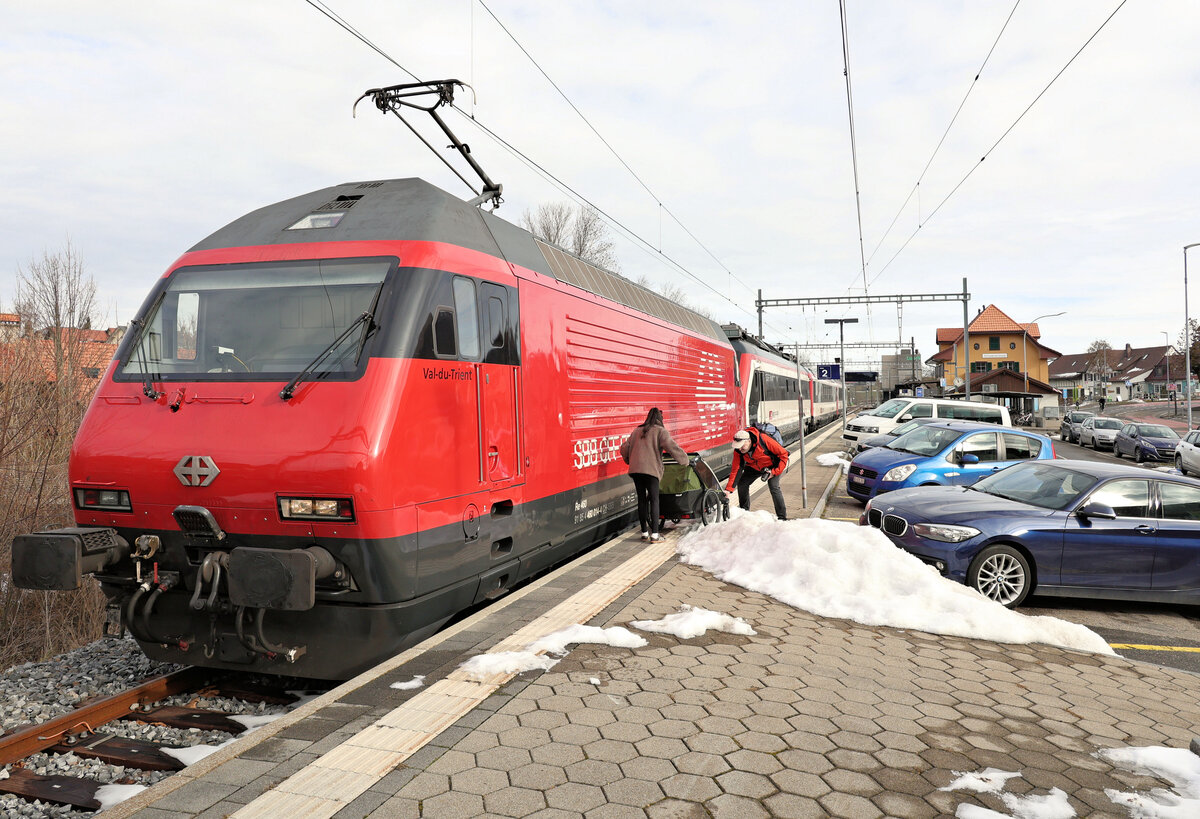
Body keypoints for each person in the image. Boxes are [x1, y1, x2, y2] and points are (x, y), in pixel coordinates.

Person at [620, 407, 689, 542]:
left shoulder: (636, 430)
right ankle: (655, 534)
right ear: (660, 418)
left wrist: (629, 460)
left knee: (641, 500)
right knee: (654, 499)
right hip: (651, 472)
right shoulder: (660, 431)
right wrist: (684, 460)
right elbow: (672, 446)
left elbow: (624, 447)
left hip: (636, 471)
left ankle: (645, 532)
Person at [725, 427, 789, 521]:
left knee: (774, 487)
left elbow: (784, 455)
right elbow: (736, 469)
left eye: (742, 445)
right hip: (754, 467)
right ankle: (744, 513)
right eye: (738, 446)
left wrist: (774, 472)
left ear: (749, 441)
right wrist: (729, 489)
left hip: (773, 466)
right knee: (742, 484)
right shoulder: (738, 450)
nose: (740, 448)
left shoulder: (764, 440)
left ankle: (782, 517)